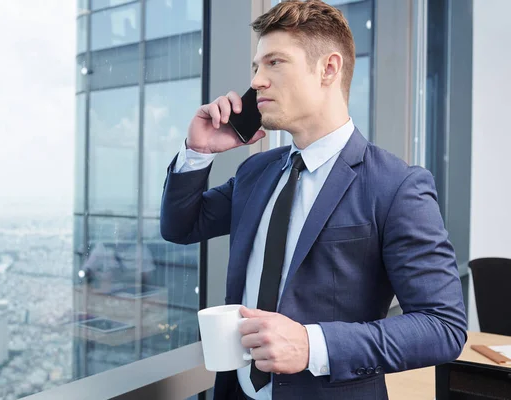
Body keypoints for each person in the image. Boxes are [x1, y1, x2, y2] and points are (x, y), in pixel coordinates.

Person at [160, 0, 467, 398]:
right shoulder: (257, 172)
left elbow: (442, 326)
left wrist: (312, 345)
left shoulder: (396, 186)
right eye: (256, 66)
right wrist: (197, 151)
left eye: (275, 63)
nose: (256, 81)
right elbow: (181, 226)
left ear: (328, 68)